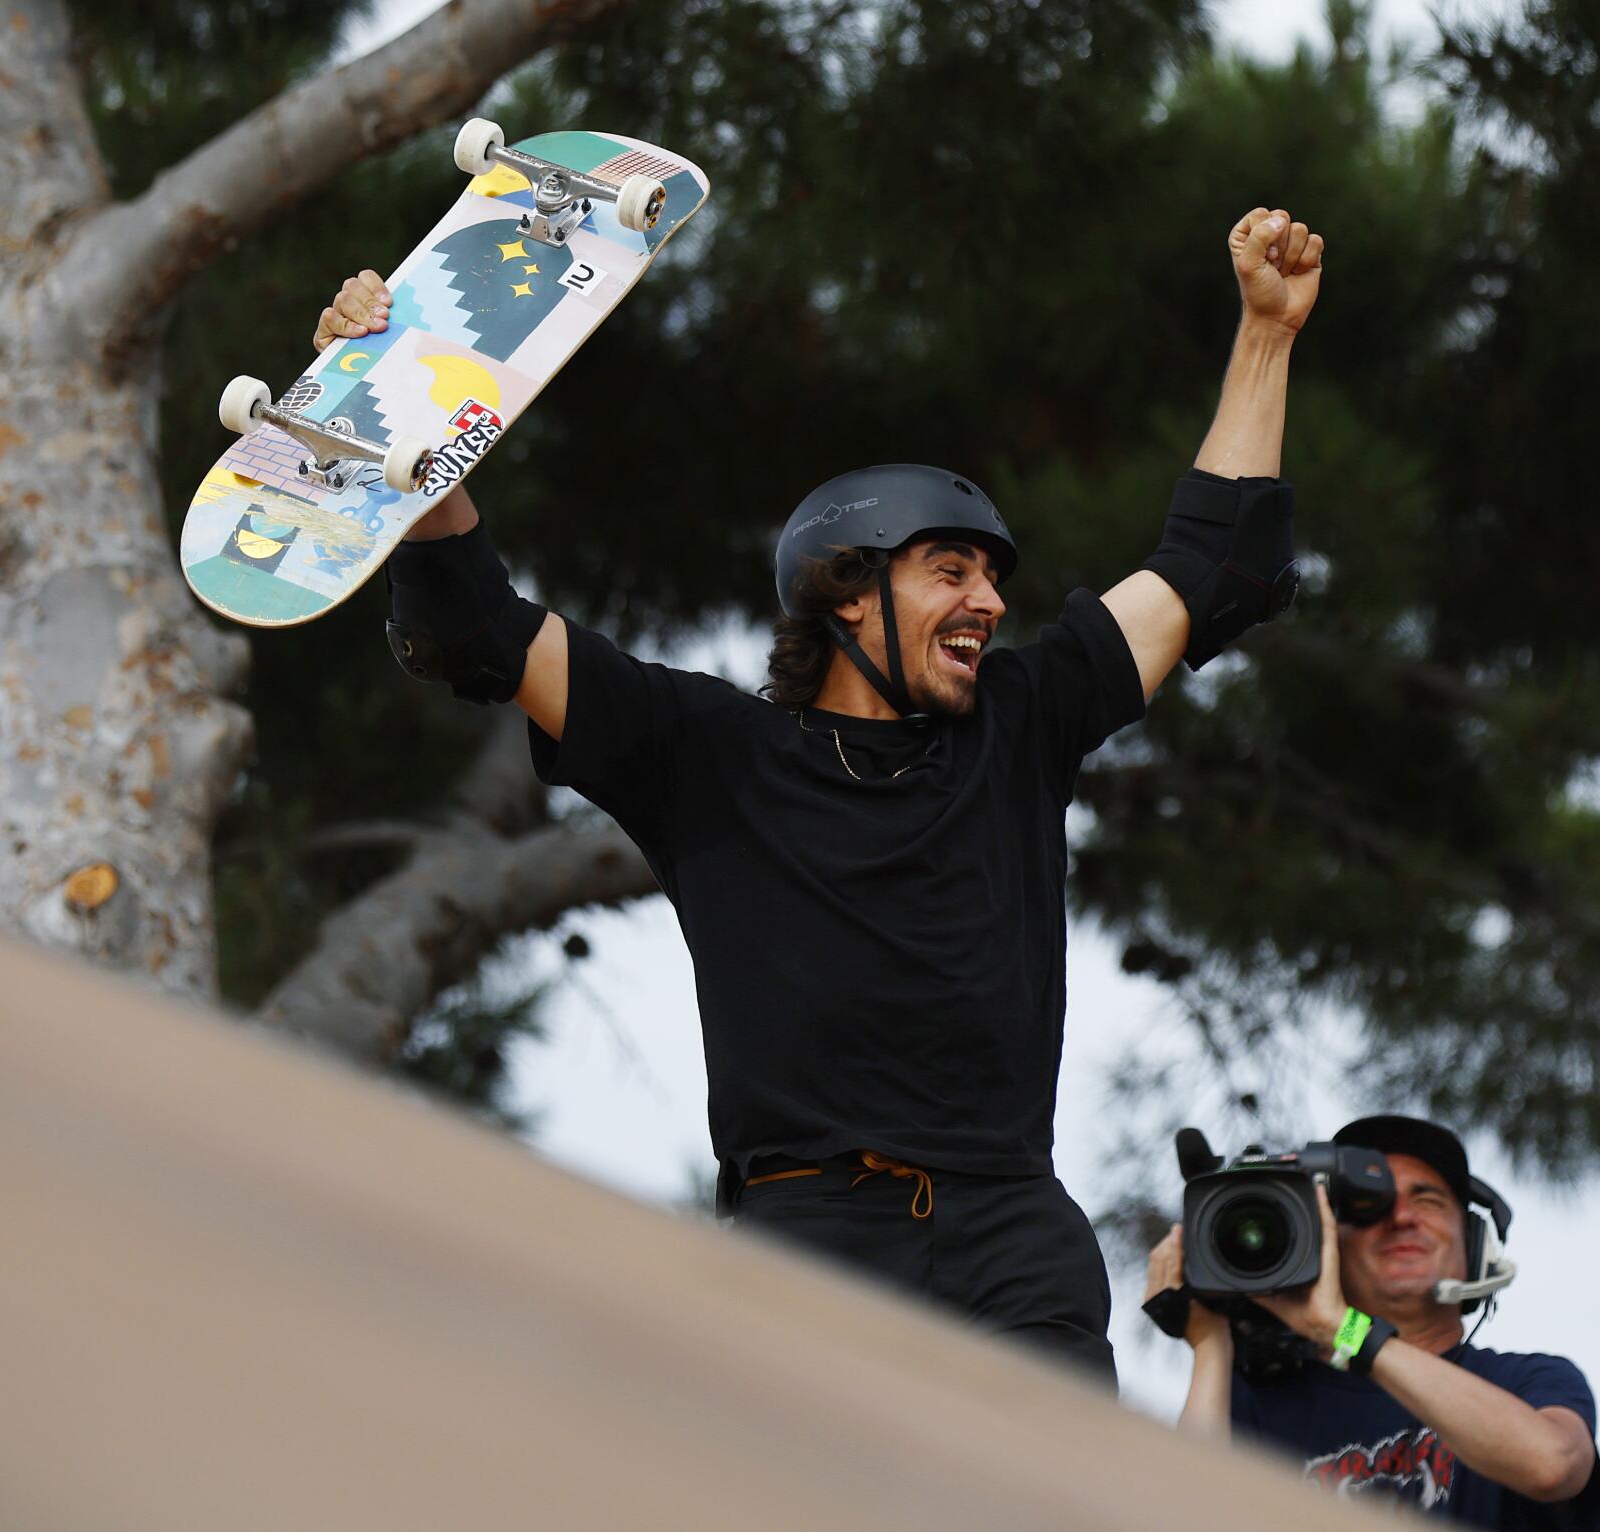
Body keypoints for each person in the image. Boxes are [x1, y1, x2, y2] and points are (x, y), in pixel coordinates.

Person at [313, 206, 1321, 1387]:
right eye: (950, 571)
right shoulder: (707, 752)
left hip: (1015, 1238)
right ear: (848, 595)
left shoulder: (1022, 720)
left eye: (994, 578)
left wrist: (1264, 332)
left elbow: (1216, 570)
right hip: (810, 1241)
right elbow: (470, 626)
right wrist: (406, 421)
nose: (990, 603)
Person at [1144, 1115, 1600, 1527]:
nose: (1401, 1217)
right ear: (1330, 1243)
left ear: (1472, 1244)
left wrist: (1346, 1332)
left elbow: (1553, 1465)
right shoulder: (1258, 1403)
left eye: (1427, 1199)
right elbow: (1178, 1516)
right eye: (1372, 1206)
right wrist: (1210, 1345)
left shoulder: (1527, 1381)